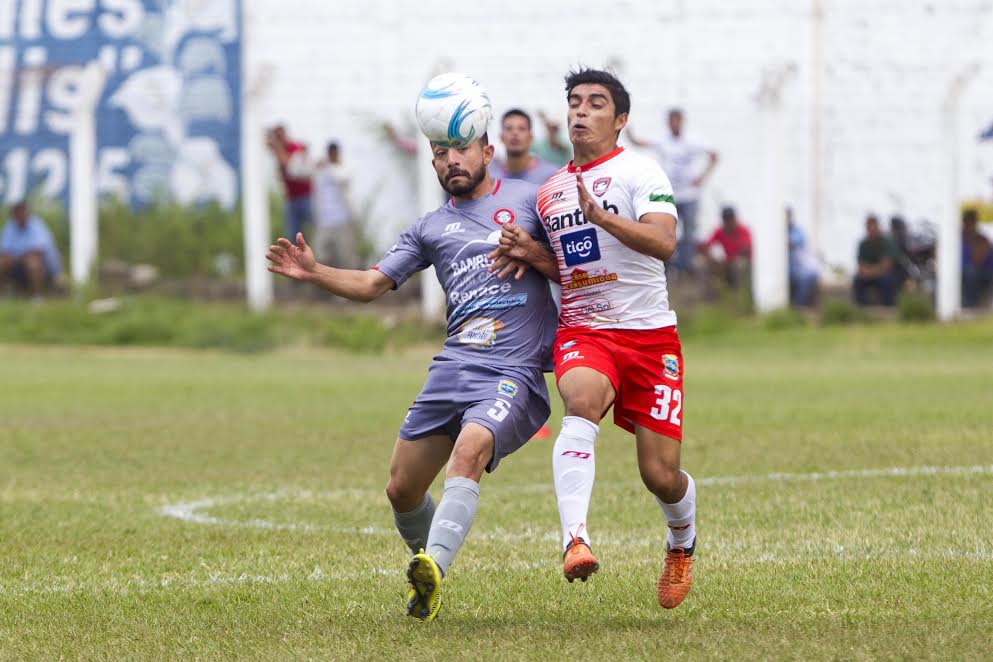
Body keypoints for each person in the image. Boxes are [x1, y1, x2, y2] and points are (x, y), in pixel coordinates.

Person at [267, 132, 557, 622]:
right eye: (441, 155)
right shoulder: (430, 227)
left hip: (512, 369)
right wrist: (315, 272)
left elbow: (578, 267)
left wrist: (533, 253)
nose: (452, 161)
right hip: (453, 366)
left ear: (487, 153)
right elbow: (371, 284)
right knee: (401, 489)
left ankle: (433, 568)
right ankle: (430, 566)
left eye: (462, 150)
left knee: (469, 451)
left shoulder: (530, 202)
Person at [489, 68, 697, 610]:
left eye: (596, 103)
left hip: (650, 339)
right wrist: (528, 251)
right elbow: (569, 269)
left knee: (660, 475)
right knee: (579, 398)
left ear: (620, 119)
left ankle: (682, 541)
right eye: (575, 102)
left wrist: (604, 218)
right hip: (585, 330)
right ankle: (575, 539)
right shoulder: (552, 190)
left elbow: (664, 243)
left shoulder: (640, 171)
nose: (581, 111)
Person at [628, 108, 719, 274]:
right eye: (672, 121)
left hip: (690, 195)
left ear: (682, 122)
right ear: (668, 123)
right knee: (668, 231)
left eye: (678, 120)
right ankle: (670, 265)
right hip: (670, 196)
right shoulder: (664, 141)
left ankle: (686, 265)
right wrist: (627, 129)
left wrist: (702, 177)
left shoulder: (692, 141)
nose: (675, 124)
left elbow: (714, 155)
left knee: (689, 231)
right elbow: (639, 143)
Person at [0, 201, 63, 300]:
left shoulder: (37, 225)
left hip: (45, 268)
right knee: (2, 262)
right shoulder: (10, 226)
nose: (19, 215)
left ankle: (37, 296)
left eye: (21, 212)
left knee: (33, 262)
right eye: (17, 212)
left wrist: (17, 256)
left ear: (27, 212)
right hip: (18, 264)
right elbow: (4, 250)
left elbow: (37, 251)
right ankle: (2, 295)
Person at [312, 142, 358, 269]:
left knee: (346, 257)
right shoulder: (320, 170)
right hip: (323, 221)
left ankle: (351, 286)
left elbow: (343, 177)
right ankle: (325, 286)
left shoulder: (343, 168)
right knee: (321, 256)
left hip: (342, 220)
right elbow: (295, 170)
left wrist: (329, 165)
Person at [489, 109, 561, 187]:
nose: (515, 133)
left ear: (531, 137)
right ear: (501, 137)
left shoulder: (551, 176)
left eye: (522, 128)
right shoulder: (490, 176)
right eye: (509, 128)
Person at [266, 124, 313, 240]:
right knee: (293, 235)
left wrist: (277, 147)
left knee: (316, 227)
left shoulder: (294, 147)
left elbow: (289, 167)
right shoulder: (281, 151)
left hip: (306, 197)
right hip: (292, 198)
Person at [699, 205, 753, 290]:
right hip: (726, 262)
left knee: (738, 265)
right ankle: (709, 295)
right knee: (702, 264)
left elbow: (746, 250)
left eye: (730, 218)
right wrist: (711, 258)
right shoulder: (720, 231)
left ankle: (739, 294)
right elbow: (707, 246)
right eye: (726, 218)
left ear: (734, 218)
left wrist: (730, 259)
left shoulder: (743, 230)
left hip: (741, 261)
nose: (728, 221)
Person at [853, 214, 900, 306]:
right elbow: (861, 266)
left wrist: (870, 271)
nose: (872, 230)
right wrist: (868, 272)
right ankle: (861, 309)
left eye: (873, 227)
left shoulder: (887, 242)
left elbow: (887, 266)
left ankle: (888, 309)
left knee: (886, 281)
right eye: (869, 227)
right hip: (872, 274)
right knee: (857, 280)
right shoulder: (863, 244)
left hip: (888, 274)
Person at [787, 209, 820, 307]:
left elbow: (792, 243)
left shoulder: (797, 231)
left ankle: (799, 308)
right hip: (788, 272)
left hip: (800, 270)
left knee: (803, 280)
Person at [962, 208, 993, 308]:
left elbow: (977, 260)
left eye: (971, 221)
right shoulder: (958, 237)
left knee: (970, 272)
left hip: (984, 272)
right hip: (965, 270)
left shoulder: (982, 239)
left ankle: (971, 305)